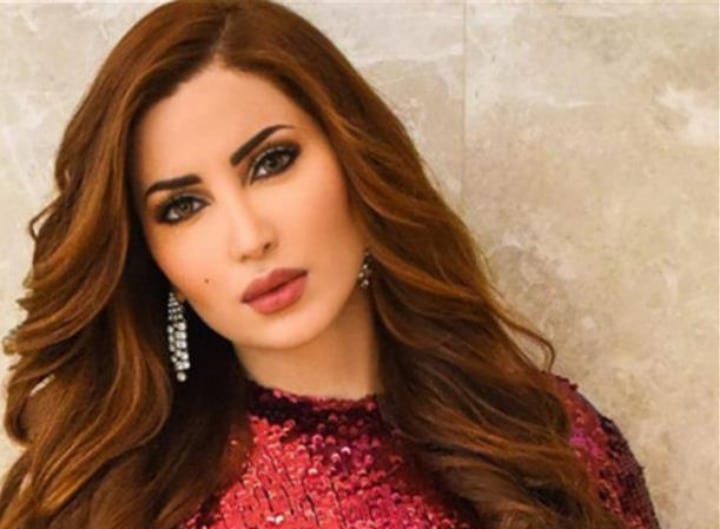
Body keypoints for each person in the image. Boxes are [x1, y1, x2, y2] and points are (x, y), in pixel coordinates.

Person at [0, 1, 661, 528]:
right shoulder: (125, 503)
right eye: (183, 206)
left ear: (355, 159)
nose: (248, 237)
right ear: (151, 255)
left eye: (272, 162)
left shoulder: (552, 439)